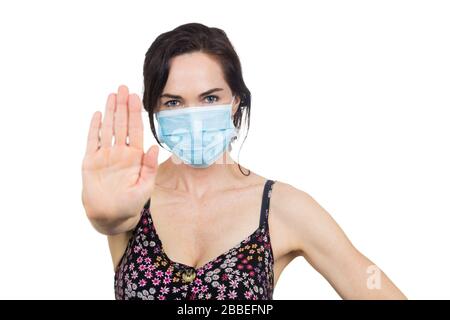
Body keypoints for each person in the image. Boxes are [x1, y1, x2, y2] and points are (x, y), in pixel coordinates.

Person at [81, 23, 407, 300]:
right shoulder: (132, 194)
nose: (194, 118)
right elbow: (112, 219)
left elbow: (371, 284)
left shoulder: (283, 208)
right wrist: (103, 217)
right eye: (174, 102)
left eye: (210, 98)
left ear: (235, 101)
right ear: (154, 109)